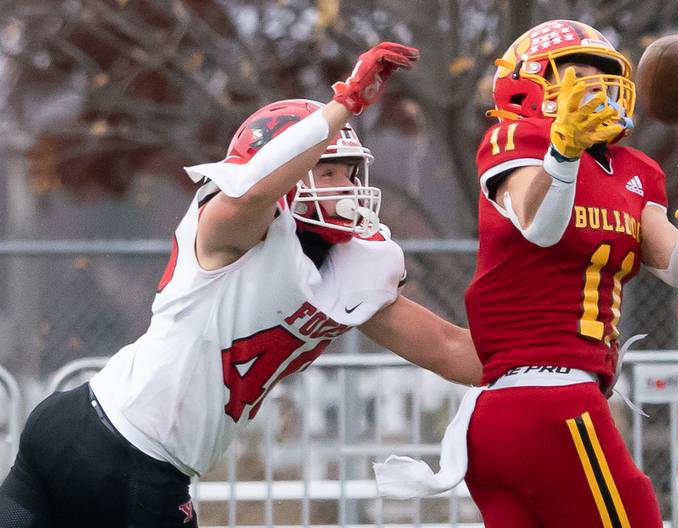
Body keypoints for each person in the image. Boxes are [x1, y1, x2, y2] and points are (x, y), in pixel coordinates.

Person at [0, 42, 482, 528]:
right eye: (327, 171)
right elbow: (254, 189)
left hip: (110, 442)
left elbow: (450, 350)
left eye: (349, 173)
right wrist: (343, 105)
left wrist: (551, 363)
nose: (347, 188)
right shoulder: (231, 230)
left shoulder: (352, 272)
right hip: (130, 455)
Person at [374, 20, 678, 527]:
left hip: (522, 412)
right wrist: (563, 155)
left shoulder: (634, 171)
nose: (593, 86)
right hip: (553, 403)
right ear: (528, 85)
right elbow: (540, 226)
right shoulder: (514, 140)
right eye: (575, 74)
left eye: (601, 75)